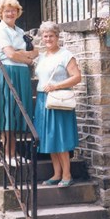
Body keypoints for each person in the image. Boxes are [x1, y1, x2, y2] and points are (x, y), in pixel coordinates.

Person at [0, 0, 38, 167]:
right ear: (1, 12)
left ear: (18, 12)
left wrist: (22, 54)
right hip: (7, 71)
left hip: (21, 73)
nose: (10, 13)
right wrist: (25, 57)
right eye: (7, 10)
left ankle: (15, 153)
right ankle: (8, 154)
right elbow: (10, 55)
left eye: (13, 10)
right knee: (8, 113)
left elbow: (35, 52)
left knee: (19, 112)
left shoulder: (19, 31)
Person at [34, 21, 81, 187]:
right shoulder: (41, 57)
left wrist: (56, 86)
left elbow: (77, 77)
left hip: (58, 99)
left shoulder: (66, 55)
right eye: (45, 36)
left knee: (60, 138)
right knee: (50, 138)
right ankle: (56, 174)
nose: (48, 39)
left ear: (57, 36)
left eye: (51, 36)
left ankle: (67, 175)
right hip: (42, 100)